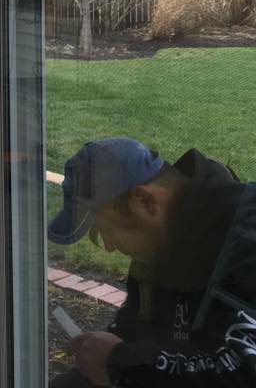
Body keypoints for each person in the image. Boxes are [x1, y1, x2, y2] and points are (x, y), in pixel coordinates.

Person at [49, 137, 256, 387]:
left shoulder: (245, 241)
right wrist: (105, 358)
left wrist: (121, 365)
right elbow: (134, 336)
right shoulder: (160, 246)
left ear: (144, 201)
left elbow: (245, 372)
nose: (110, 246)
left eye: (106, 230)